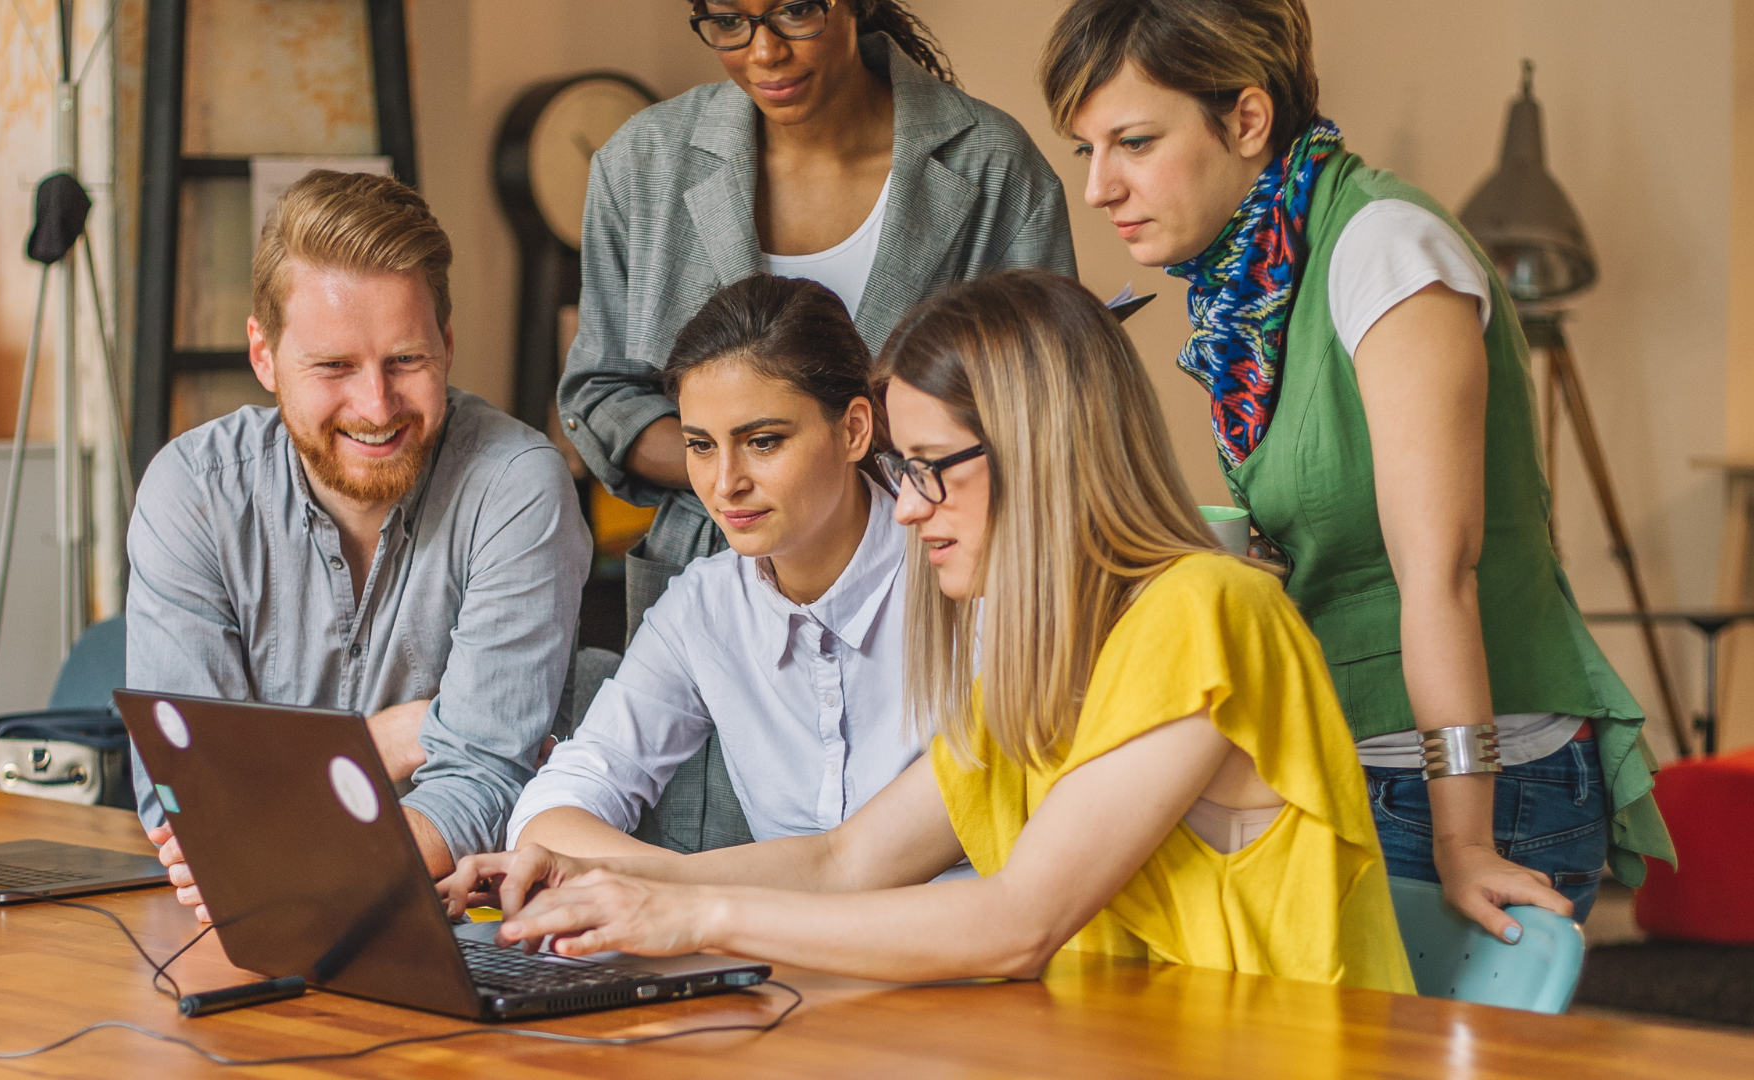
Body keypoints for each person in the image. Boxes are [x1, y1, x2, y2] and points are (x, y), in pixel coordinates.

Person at [439, 272, 1414, 994]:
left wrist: (690, 911)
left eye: (931, 467)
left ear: (1041, 450)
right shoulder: (1051, 652)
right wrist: (598, 876)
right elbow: (847, 861)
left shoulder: (1206, 610)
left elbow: (1017, 922)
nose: (906, 507)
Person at [1038, 0, 1673, 937]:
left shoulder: (1386, 251)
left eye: (1133, 142)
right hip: (1355, 755)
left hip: (1465, 788)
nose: (1099, 186)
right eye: (1086, 149)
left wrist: (1464, 841)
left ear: (1247, 120)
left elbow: (1439, 574)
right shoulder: (1254, 288)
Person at [557, 0, 1077, 851]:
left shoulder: (991, 168)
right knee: (708, 851)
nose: (763, 50)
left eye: (795, 10)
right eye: (727, 21)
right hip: (719, 575)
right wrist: (748, 463)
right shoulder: (642, 163)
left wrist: (848, 473)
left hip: (925, 574)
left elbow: (1047, 403)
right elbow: (599, 393)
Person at [127, 171, 591, 919]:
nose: (377, 407)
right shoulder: (194, 491)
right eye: (334, 366)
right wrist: (386, 739)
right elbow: (185, 797)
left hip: (465, 924)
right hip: (238, 926)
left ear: (446, 344)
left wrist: (288, 854)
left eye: (406, 360)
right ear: (263, 355)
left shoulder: (517, 487)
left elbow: (484, 780)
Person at [513, 275, 954, 862]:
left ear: (854, 430)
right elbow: (558, 804)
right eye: (700, 445)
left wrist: (683, 894)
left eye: (763, 441)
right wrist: (679, 892)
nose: (725, 484)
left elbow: (852, 869)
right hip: (759, 920)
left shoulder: (961, 576)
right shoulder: (703, 607)